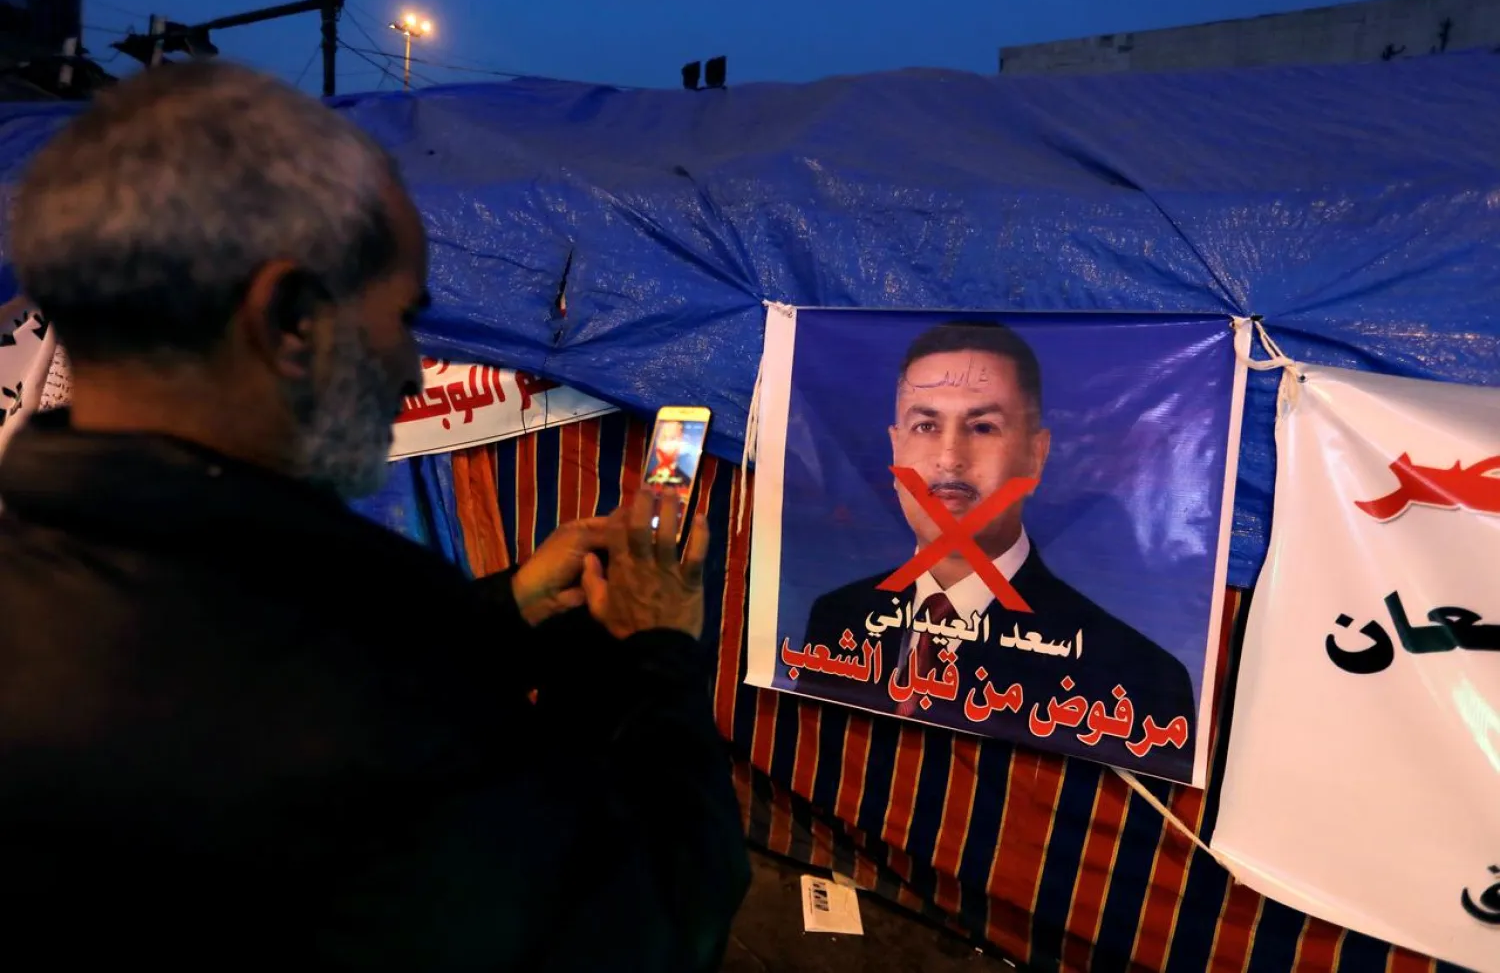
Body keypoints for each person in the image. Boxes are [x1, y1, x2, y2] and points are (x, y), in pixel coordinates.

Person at [0, 61, 748, 970]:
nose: (409, 368)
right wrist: (657, 653)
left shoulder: (49, 575)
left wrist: (505, 607)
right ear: (290, 321)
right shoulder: (373, 733)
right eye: (402, 316)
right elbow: (655, 926)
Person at [796, 320, 1197, 776]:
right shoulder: (836, 617)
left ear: (1035, 454)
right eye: (925, 425)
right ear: (894, 450)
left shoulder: (1136, 676)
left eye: (983, 427)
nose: (949, 458)